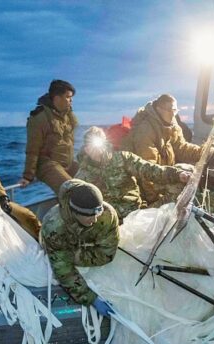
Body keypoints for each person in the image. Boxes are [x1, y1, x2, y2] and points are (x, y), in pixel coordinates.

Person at [76, 127, 190, 222]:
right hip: (110, 224)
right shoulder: (82, 175)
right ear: (85, 149)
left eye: (98, 144)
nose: (95, 150)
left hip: (137, 214)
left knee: (179, 188)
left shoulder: (123, 158)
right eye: (90, 146)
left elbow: (149, 170)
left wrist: (177, 174)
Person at [40, 179, 119, 313]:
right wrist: (91, 298)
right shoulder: (54, 227)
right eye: (88, 216)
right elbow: (64, 270)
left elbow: (107, 254)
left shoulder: (107, 214)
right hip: (60, 246)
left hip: (79, 246)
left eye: (97, 213)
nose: (94, 220)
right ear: (75, 212)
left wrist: (80, 252)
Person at [121, 94, 202, 205]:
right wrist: (154, 201)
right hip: (146, 188)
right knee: (179, 184)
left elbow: (182, 148)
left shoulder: (172, 126)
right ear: (158, 109)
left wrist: (204, 152)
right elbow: (147, 170)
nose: (173, 114)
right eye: (169, 110)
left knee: (190, 171)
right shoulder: (145, 130)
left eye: (175, 110)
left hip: (162, 177)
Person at [19, 79, 79, 193]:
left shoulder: (67, 116)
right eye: (68, 97)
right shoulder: (39, 117)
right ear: (57, 98)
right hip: (47, 165)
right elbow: (33, 148)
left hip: (67, 163)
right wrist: (28, 176)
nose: (71, 100)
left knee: (94, 179)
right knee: (73, 190)